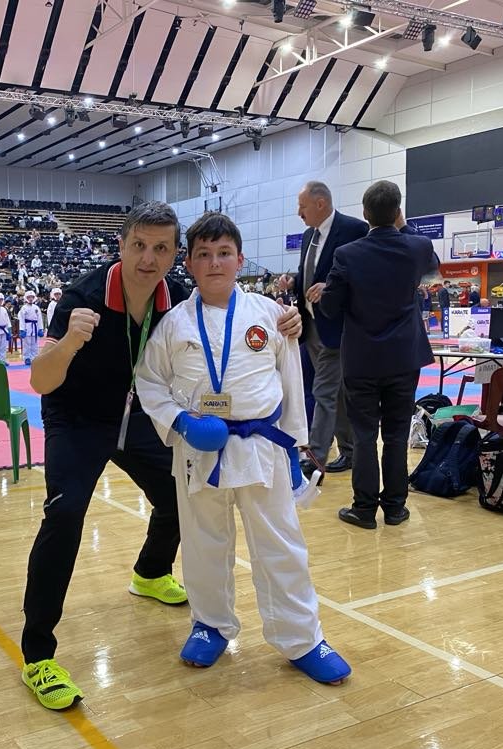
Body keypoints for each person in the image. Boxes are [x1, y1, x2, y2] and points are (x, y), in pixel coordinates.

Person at [19, 202, 303, 711]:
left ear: (176, 256)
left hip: (136, 419)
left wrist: (290, 322)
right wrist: (69, 341)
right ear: (122, 245)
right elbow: (41, 381)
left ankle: (149, 572)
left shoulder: (175, 301)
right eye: (139, 246)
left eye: (161, 248)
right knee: (63, 515)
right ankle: (38, 652)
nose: (148, 259)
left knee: (180, 496)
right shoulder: (82, 297)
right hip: (78, 421)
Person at [135, 212, 346, 682]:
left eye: (224, 254)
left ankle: (302, 637)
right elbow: (150, 383)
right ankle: (210, 624)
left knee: (282, 544)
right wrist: (181, 421)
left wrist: (297, 448)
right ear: (188, 264)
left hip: (263, 446)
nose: (215, 263)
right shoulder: (173, 324)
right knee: (204, 542)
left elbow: (291, 380)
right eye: (204, 255)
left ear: (241, 260)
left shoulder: (271, 316)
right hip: (199, 448)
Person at [319, 180, 439, 529]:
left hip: (362, 359)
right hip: (404, 357)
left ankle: (365, 507)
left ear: (364, 214)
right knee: (398, 432)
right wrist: (401, 224)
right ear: (398, 212)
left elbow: (330, 308)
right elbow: (431, 264)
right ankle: (396, 507)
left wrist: (327, 291)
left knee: (364, 434)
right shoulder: (418, 247)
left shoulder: (348, 254)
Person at [277, 181, 368, 476]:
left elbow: (364, 275)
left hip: (339, 326)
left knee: (323, 391)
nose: (298, 213)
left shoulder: (355, 229)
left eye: (302, 207)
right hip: (311, 325)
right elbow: (311, 271)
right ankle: (350, 450)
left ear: (320, 203)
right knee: (336, 393)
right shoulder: (308, 236)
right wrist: (293, 280)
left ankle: (315, 457)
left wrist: (331, 287)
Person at [18, 290, 43, 365]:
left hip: (35, 327)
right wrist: (22, 330)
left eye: (32, 297)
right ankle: (27, 358)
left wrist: (40, 329)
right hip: (27, 327)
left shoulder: (36, 308)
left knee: (35, 344)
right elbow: (21, 319)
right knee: (26, 344)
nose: (30, 299)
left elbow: (39, 319)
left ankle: (34, 357)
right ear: (26, 298)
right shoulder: (24, 308)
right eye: (29, 297)